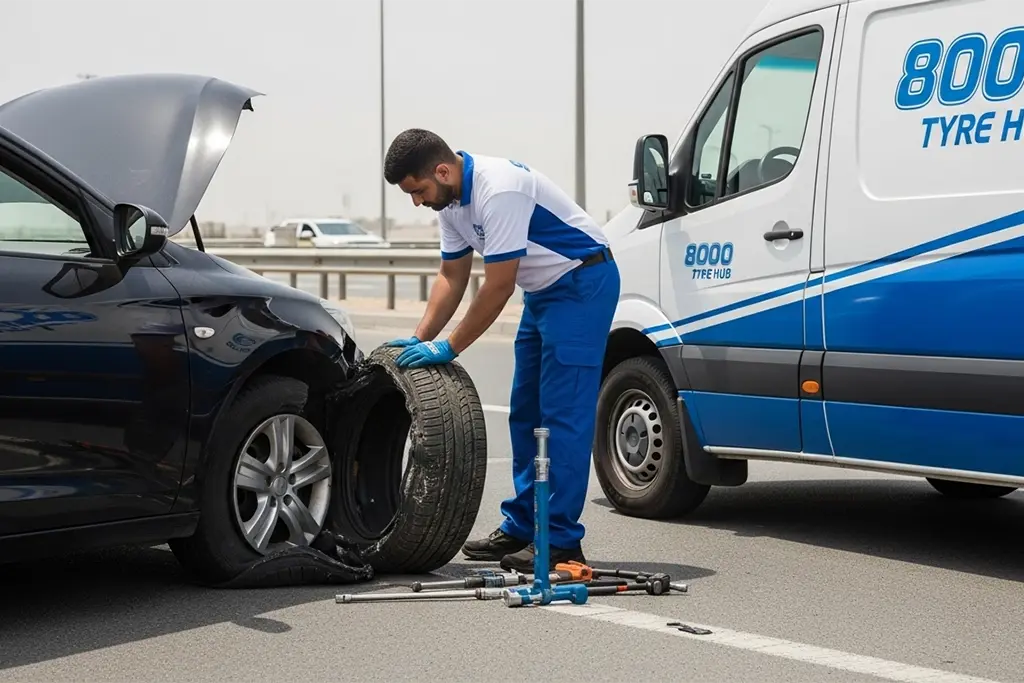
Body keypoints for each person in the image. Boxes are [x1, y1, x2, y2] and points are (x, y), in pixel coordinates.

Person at [381, 128, 620, 572]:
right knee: (525, 411)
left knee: (562, 416)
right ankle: (522, 526)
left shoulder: (499, 189)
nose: (417, 201)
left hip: (582, 283)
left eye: (418, 191)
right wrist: (421, 337)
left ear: (442, 170)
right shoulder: (450, 203)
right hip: (543, 290)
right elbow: (452, 277)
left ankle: (562, 542)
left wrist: (449, 347)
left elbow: (496, 288)